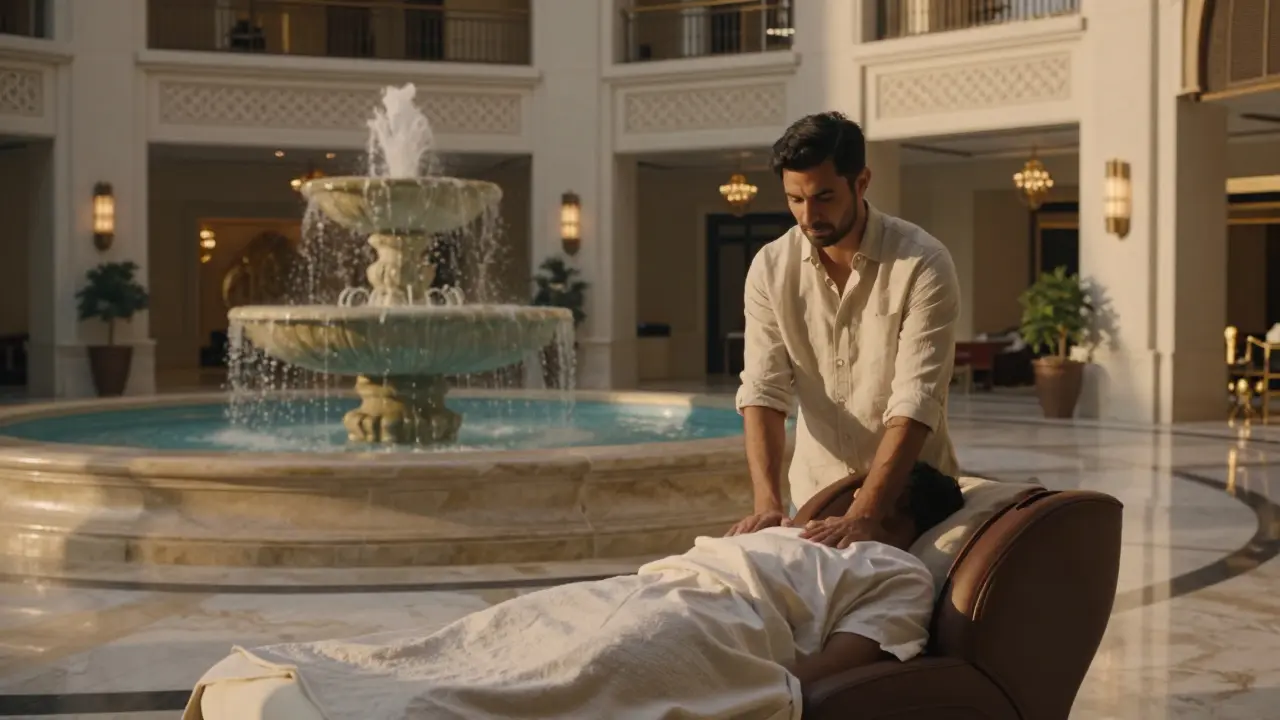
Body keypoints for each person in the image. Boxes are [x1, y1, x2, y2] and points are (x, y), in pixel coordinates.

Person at [186, 464, 964, 720]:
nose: (843, 494)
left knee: (564, 679)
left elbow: (849, 662)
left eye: (867, 487)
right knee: (498, 638)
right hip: (637, 587)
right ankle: (327, 689)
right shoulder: (794, 530)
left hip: (705, 627)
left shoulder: (895, 571)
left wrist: (753, 691)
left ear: (898, 507)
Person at [727, 111, 961, 549]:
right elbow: (763, 391)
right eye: (795, 199)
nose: (808, 215)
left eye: (824, 197)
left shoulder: (923, 263)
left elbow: (916, 400)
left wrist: (866, 513)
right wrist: (768, 505)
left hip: (911, 505)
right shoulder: (770, 269)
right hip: (818, 497)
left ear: (862, 181)